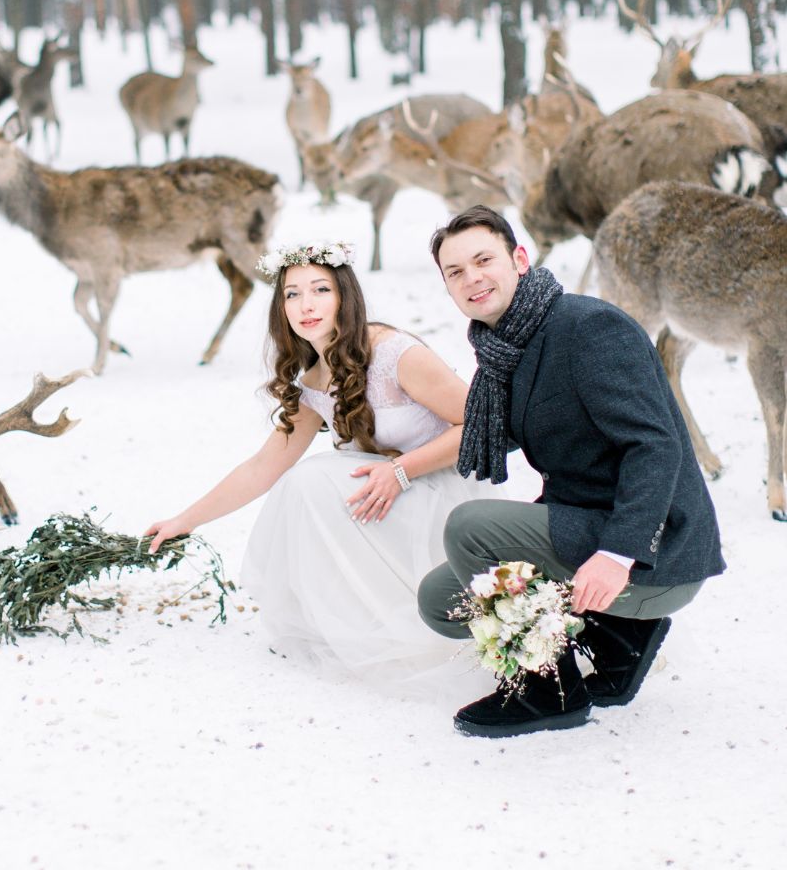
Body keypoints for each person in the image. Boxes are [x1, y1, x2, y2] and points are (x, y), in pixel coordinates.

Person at [417, 206, 726, 737]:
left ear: (519, 258)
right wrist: (392, 457)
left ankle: (548, 694)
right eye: (455, 271)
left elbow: (655, 446)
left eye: (483, 259)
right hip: (583, 526)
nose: (472, 278)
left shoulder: (588, 327)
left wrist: (617, 554)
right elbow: (495, 430)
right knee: (443, 600)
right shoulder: (505, 348)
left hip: (652, 555)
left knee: (470, 528)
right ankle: (620, 640)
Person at [146, 240, 487, 694]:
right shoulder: (312, 383)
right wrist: (183, 521)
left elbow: (479, 427)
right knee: (304, 481)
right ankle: (365, 615)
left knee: (316, 476)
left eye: (320, 290)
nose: (306, 305)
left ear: (345, 295)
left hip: (444, 501)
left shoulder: (395, 354)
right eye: (292, 294)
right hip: (384, 504)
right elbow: (264, 466)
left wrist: (402, 470)